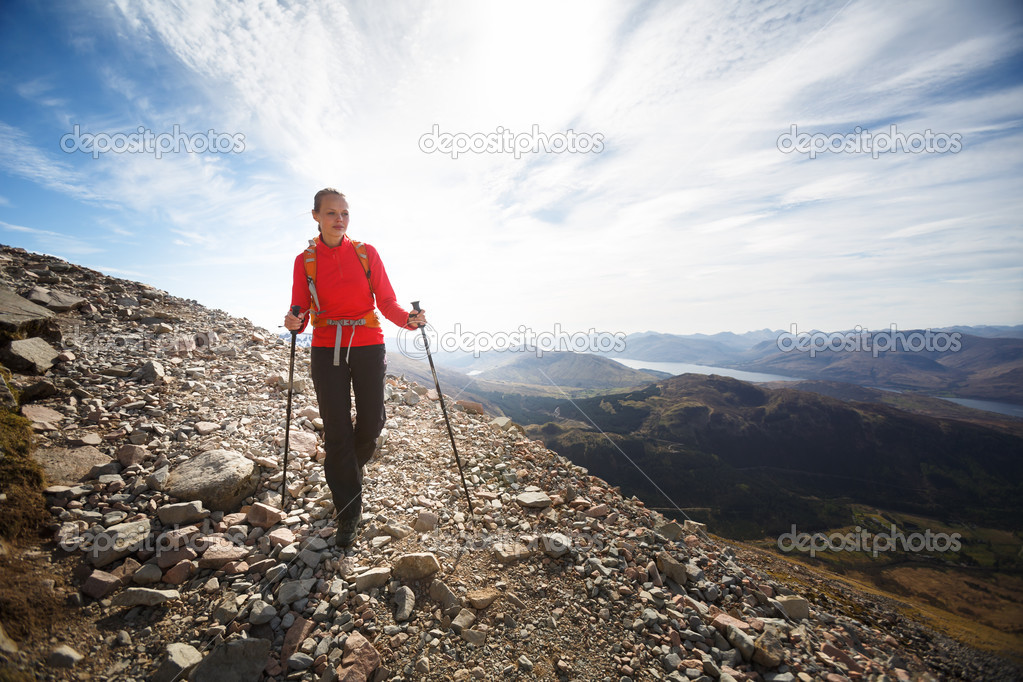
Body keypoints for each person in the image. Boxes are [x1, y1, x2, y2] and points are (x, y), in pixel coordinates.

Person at [284, 188, 426, 548]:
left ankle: (348, 468)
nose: (339, 219)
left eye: (344, 213)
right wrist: (294, 322)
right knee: (335, 429)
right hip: (325, 346)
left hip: (366, 343)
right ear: (316, 216)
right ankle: (348, 510)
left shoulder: (366, 253)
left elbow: (388, 301)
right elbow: (299, 310)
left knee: (372, 421)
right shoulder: (306, 261)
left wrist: (408, 320)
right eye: (331, 213)